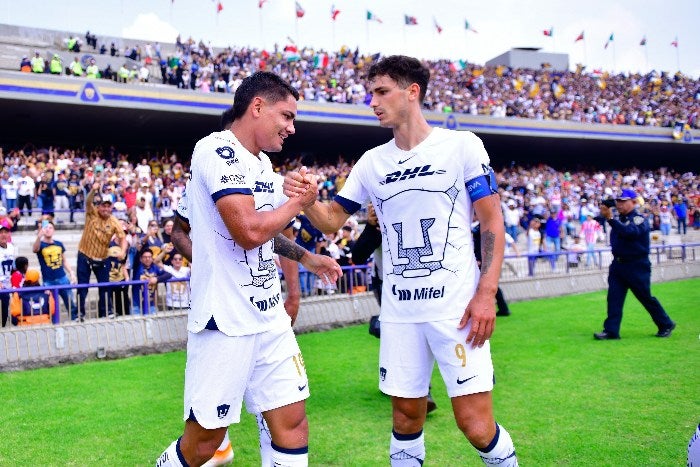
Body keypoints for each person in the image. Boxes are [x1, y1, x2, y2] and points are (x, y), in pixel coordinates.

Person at [284, 56, 517, 466]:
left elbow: (491, 219)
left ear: (413, 92)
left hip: (456, 311)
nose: (372, 102)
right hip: (400, 314)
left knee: (475, 425)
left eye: (381, 92)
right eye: (370, 93)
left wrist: (486, 292)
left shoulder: (462, 146)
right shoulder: (372, 162)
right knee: (406, 417)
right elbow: (331, 221)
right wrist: (306, 200)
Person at [156, 71, 342, 467]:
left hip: (268, 317)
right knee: (205, 444)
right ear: (257, 107)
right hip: (225, 320)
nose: (292, 128)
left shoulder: (262, 168)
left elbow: (270, 230)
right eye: (287, 117)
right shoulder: (215, 150)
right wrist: (298, 202)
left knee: (293, 424)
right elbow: (248, 231)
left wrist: (306, 257)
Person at [594, 189, 676, 340]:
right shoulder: (619, 219)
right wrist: (604, 210)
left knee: (645, 297)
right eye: (618, 201)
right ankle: (611, 330)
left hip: (636, 265)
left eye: (623, 201)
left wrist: (611, 218)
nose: (619, 204)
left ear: (634, 202)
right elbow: (597, 219)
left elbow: (629, 232)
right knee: (614, 298)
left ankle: (665, 323)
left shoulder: (639, 219)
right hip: (618, 265)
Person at [76, 183, 127, 320]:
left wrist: (122, 251)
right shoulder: (91, 214)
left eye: (108, 206)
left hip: (102, 258)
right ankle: (79, 314)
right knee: (83, 287)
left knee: (105, 286)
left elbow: (123, 238)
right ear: (98, 207)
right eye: (103, 206)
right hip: (85, 255)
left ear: (111, 208)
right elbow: (87, 201)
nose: (105, 208)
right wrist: (93, 189)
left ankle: (107, 312)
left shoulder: (114, 221)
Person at [32, 221, 78, 321]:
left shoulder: (59, 244)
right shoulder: (41, 244)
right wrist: (39, 237)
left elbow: (64, 260)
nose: (48, 229)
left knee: (70, 301)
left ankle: (75, 318)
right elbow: (35, 249)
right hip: (48, 280)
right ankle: (53, 322)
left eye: (50, 227)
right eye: (46, 228)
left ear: (54, 230)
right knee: (50, 305)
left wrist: (71, 272)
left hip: (62, 277)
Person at [0, 224, 17, 327]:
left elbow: (13, 267)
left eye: (5, 232)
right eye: (1, 232)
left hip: (7, 284)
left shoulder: (11, 247)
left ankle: (3, 326)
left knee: (5, 306)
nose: (3, 235)